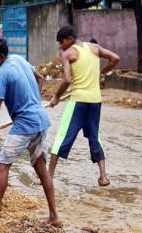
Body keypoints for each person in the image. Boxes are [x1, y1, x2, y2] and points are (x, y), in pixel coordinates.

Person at [0, 39, 61, 227]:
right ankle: (54, 217)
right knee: (42, 170)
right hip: (41, 121)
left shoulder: (1, 73)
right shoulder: (19, 59)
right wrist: (34, 101)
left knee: (3, 166)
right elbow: (40, 78)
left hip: (25, 126)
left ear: (1, 57)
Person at [48, 26, 120, 186]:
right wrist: (102, 71)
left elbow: (66, 80)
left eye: (61, 42)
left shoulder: (68, 54)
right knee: (95, 137)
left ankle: (48, 176)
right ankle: (103, 177)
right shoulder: (94, 48)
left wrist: (56, 97)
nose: (61, 46)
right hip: (95, 101)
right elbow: (115, 58)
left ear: (68, 39)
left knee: (62, 137)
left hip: (78, 102)